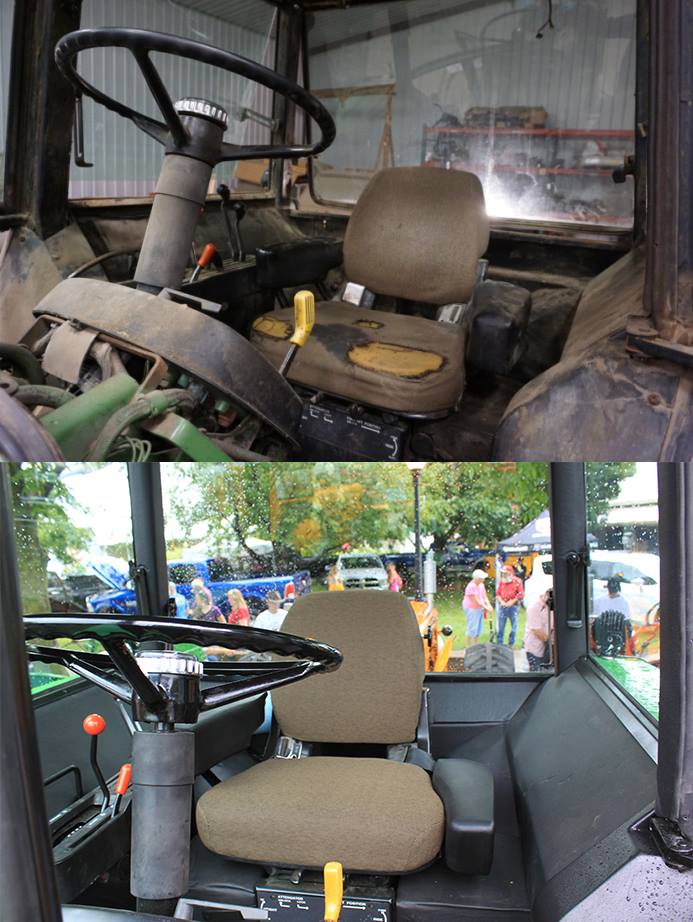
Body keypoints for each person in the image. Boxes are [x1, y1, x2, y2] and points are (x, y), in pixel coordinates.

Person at [462, 569, 494, 646]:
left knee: (478, 628)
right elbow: (476, 601)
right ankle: (468, 646)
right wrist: (486, 607)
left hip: (480, 608)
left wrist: (489, 605)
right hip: (472, 608)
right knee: (472, 627)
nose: (483, 579)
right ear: (477, 578)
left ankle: (475, 645)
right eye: (481, 578)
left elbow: (484, 597)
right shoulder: (471, 586)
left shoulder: (481, 585)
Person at [496, 565, 525, 647]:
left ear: (510, 573)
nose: (504, 575)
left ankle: (510, 644)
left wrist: (512, 601)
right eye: (503, 573)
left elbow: (521, 594)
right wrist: (501, 601)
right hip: (503, 606)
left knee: (513, 627)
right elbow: (498, 594)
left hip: (513, 607)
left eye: (505, 573)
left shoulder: (517, 581)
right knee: (501, 626)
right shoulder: (502, 581)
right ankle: (499, 644)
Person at [524, 589, 552, 671]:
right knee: (536, 673)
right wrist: (551, 641)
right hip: (534, 649)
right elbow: (537, 631)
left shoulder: (550, 605)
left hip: (547, 647)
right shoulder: (534, 607)